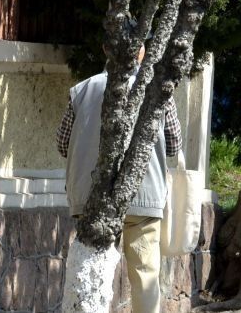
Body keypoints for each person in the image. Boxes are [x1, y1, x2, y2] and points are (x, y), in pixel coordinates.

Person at [57, 53, 184, 313]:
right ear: (145, 56)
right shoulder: (160, 90)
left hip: (92, 199)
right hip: (144, 198)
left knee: (92, 274)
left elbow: (62, 144)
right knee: (145, 276)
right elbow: (173, 145)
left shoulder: (83, 90)